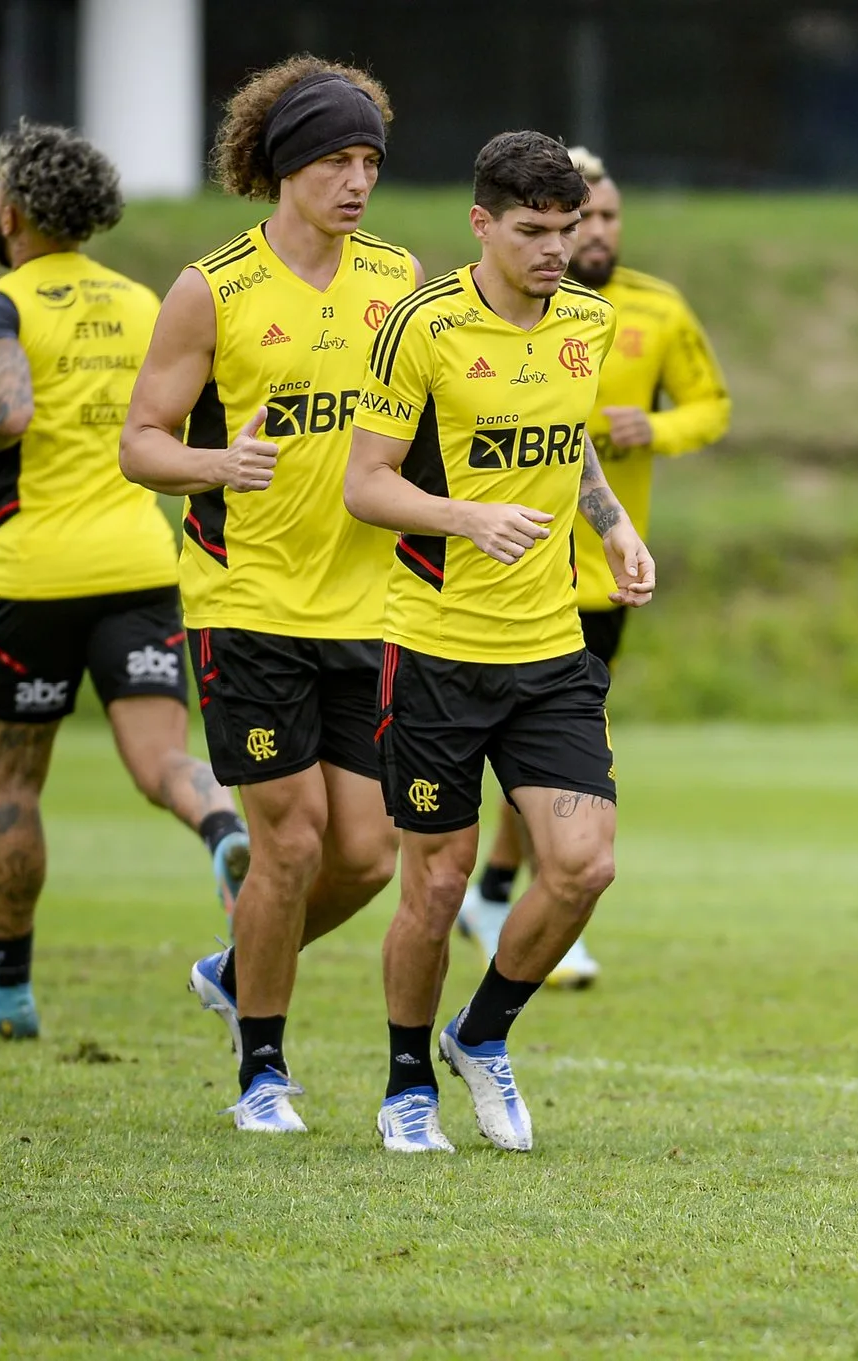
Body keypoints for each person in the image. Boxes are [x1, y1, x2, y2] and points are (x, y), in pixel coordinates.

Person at [121, 58, 419, 1133]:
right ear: (286, 166)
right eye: (336, 160)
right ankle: (261, 1073)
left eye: (369, 162)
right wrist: (215, 469)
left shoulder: (397, 278)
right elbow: (141, 442)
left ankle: (234, 960)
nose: (356, 182)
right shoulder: (214, 288)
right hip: (244, 601)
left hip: (370, 605)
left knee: (369, 853)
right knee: (287, 842)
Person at [345, 130, 655, 1155]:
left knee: (582, 865)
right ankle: (403, 1085)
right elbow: (367, 483)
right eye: (531, 231)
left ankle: (481, 1034)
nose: (554, 250)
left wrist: (611, 523)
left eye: (566, 230)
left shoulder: (588, 319)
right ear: (480, 222)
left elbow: (564, 453)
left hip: (549, 646)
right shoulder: (421, 326)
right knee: (433, 884)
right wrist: (465, 515)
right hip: (433, 649)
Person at [0, 122, 249, 1040]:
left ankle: (9, 989)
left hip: (33, 575)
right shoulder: (145, 301)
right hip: (142, 566)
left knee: (12, 780)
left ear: (13, 210)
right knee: (162, 760)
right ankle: (224, 835)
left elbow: (8, 406)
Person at [455, 145, 730, 988]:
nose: (591, 235)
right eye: (578, 220)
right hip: (502, 571)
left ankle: (503, 891)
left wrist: (658, 431)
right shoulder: (476, 314)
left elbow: (711, 406)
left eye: (600, 219)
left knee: (551, 750)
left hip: (602, 572)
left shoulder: (649, 309)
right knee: (555, 752)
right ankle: (526, 899)